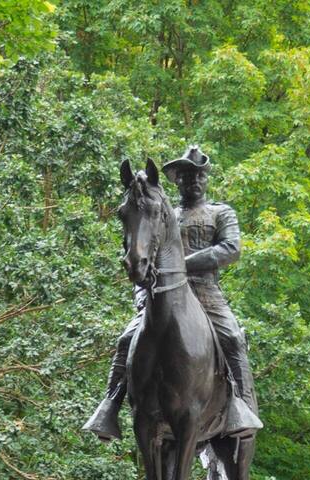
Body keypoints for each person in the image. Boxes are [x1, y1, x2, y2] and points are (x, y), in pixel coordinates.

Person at [84, 145, 261, 441]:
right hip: (159, 293)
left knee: (231, 336)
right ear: (176, 180)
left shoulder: (220, 212)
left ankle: (240, 407)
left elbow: (230, 249)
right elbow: (140, 247)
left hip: (205, 293)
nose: (193, 181)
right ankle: (110, 405)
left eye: (199, 175)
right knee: (126, 339)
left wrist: (183, 265)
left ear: (206, 178)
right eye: (186, 175)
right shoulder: (161, 212)